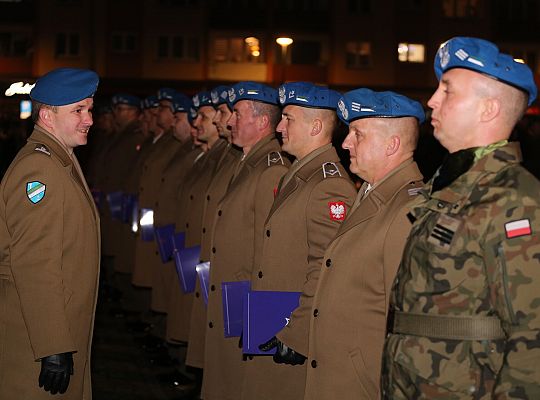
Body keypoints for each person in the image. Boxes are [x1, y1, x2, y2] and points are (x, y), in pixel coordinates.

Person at [382, 36, 540, 398]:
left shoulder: (514, 198)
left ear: (487, 109)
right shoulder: (450, 183)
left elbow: (532, 336)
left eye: (447, 91)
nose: (432, 100)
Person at [304, 88, 425, 399]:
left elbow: (406, 319)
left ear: (392, 144)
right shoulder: (371, 192)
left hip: (365, 382)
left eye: (358, 134)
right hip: (342, 374)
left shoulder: (407, 209)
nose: (345, 143)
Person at [240, 82, 357, 400]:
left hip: (289, 330)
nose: (279, 127)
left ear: (316, 126)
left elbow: (324, 267)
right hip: (271, 322)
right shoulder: (299, 175)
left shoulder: (328, 185)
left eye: (288, 118)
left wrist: (297, 334)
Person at [0, 67, 100, 398]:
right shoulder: (40, 168)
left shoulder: (58, 158)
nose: (89, 119)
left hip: (55, 324)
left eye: (89, 108)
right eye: (78, 110)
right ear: (47, 116)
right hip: (37, 337)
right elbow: (34, 263)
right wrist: (53, 344)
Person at [202, 81, 290, 400]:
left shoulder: (269, 170)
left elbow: (267, 251)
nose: (228, 122)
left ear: (261, 121)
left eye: (237, 114)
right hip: (231, 293)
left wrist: (258, 317)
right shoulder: (247, 162)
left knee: (237, 384)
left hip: (244, 298)